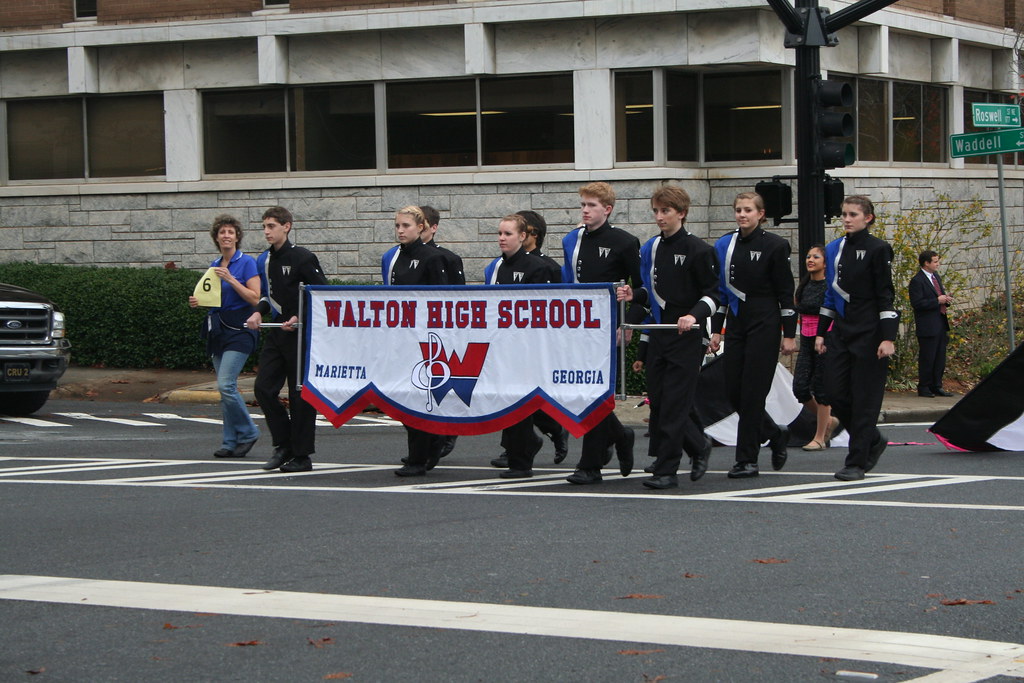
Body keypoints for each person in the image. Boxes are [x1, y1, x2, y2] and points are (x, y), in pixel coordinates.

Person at [616, 184, 720, 489]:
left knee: (675, 402)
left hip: (688, 336)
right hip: (661, 333)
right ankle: (699, 445)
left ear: (682, 214)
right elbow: (651, 293)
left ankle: (667, 469)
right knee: (660, 402)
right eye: (657, 211)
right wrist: (632, 294)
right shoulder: (650, 248)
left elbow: (714, 294)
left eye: (666, 211)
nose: (660, 217)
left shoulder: (700, 250)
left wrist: (694, 315)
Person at [561, 181, 643, 485]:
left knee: (597, 393)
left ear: (607, 209)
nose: (585, 210)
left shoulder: (624, 241)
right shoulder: (571, 240)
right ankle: (620, 435)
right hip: (579, 326)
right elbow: (566, 284)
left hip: (609, 324)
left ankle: (590, 464)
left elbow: (641, 287)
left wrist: (629, 323)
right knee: (581, 393)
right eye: (583, 204)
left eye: (592, 205)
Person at [709, 191, 796, 478]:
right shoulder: (724, 244)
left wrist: (789, 334)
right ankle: (773, 432)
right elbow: (721, 292)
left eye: (748, 210)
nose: (742, 215)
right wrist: (716, 330)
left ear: (761, 214)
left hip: (765, 322)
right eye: (738, 210)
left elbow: (785, 292)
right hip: (736, 323)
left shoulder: (774, 245)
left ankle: (747, 459)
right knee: (733, 390)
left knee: (753, 394)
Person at [815, 195, 899, 481]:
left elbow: (886, 295)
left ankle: (856, 461)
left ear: (868, 218)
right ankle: (872, 438)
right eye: (843, 214)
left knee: (865, 399)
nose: (847, 219)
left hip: (870, 331)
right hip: (841, 330)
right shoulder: (834, 248)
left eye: (853, 214)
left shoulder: (878, 249)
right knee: (833, 392)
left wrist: (888, 338)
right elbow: (830, 293)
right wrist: (821, 333)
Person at [244, 206, 328, 473]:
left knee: (299, 394)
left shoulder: (303, 258)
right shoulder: (264, 261)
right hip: (277, 333)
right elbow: (268, 297)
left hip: (301, 334)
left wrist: (297, 317)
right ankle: (284, 445)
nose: (267, 231)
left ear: (286, 226)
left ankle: (302, 455)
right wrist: (257, 312)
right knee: (263, 388)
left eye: (271, 226)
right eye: (264, 227)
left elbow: (321, 294)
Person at [488, 209, 569, 468]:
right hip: (505, 343)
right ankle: (524, 444)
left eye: (507, 233)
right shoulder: (497, 266)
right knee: (510, 397)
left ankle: (532, 443)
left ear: (524, 236)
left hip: (531, 345)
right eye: (500, 233)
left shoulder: (542, 267)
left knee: (525, 397)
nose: (502, 238)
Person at [188, 214, 262, 459]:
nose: (227, 236)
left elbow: (255, 298)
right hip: (219, 328)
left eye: (231, 232)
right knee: (224, 390)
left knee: (226, 384)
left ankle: (249, 431)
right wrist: (198, 301)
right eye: (222, 232)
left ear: (237, 237)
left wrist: (231, 279)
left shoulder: (247, 263)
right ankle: (230, 442)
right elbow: (214, 297)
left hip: (240, 329)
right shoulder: (215, 263)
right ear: (217, 238)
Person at [385, 206, 450, 477]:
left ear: (421, 227)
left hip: (426, 340)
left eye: (406, 226)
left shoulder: (433, 257)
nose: (400, 231)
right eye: (398, 226)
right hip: (403, 338)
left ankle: (420, 455)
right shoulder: (396, 257)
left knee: (421, 397)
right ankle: (425, 448)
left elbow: (444, 301)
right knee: (405, 396)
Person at [420, 205, 465, 461]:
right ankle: (423, 446)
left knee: (441, 386)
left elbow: (457, 297)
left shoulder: (446, 258)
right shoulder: (394, 257)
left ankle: (446, 434)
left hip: (440, 333)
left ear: (433, 228)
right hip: (412, 333)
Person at [792, 244, 839, 450]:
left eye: (816, 257)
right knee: (800, 387)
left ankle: (819, 437)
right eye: (808, 256)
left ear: (825, 263)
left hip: (826, 340)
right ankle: (828, 421)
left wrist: (824, 337)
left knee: (821, 389)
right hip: (806, 339)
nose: (810, 260)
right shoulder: (804, 285)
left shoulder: (829, 286)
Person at [909, 250, 953, 398]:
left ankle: (936, 385)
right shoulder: (917, 280)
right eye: (935, 261)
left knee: (940, 356)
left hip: (940, 322)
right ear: (926, 263)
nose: (937, 264)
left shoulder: (936, 277)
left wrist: (945, 300)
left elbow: (939, 296)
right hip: (927, 326)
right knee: (928, 357)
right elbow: (917, 303)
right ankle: (924, 386)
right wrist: (936, 301)